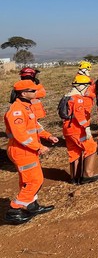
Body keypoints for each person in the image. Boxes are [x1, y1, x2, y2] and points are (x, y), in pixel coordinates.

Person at [4, 79, 59, 225]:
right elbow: (20, 135)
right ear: (23, 93)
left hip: (27, 150)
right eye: (33, 90)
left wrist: (47, 136)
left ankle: (31, 205)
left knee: (28, 180)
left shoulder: (27, 107)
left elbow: (35, 127)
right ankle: (14, 210)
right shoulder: (16, 111)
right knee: (35, 180)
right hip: (21, 151)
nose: (37, 92)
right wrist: (39, 147)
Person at [62, 75, 98, 184]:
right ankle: (87, 175)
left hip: (67, 128)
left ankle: (74, 178)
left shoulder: (66, 96)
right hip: (77, 129)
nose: (87, 89)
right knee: (91, 147)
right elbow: (79, 115)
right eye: (86, 86)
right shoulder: (77, 99)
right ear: (80, 86)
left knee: (74, 151)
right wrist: (87, 128)